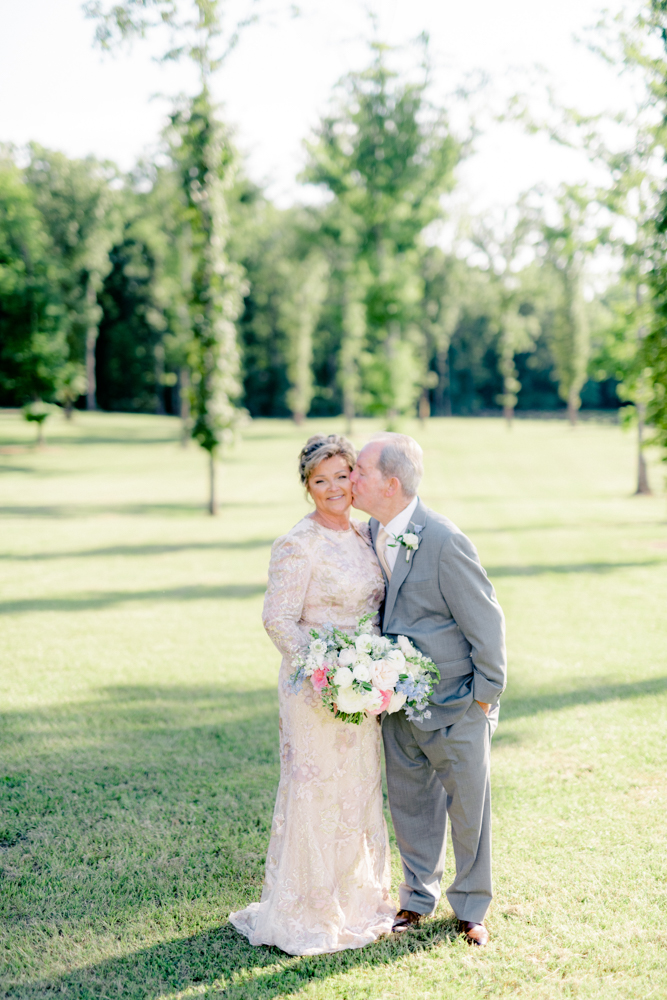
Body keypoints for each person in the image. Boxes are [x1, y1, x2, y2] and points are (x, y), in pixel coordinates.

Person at [229, 434, 395, 956]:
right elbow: (277, 619)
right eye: (319, 481)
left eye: (341, 476)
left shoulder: (368, 535)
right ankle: (308, 908)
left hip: (362, 690)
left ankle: (357, 898)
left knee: (359, 789)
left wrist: (366, 674)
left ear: (355, 477)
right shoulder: (297, 543)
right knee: (316, 791)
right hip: (315, 691)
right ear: (307, 487)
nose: (333, 489)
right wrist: (327, 673)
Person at [350, 432, 506, 948]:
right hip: (397, 705)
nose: (351, 479)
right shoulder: (369, 531)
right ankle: (417, 900)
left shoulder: (442, 538)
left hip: (458, 702)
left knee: (469, 811)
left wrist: (484, 699)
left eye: (360, 472)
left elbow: (486, 623)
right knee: (412, 806)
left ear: (390, 483)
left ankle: (472, 908)